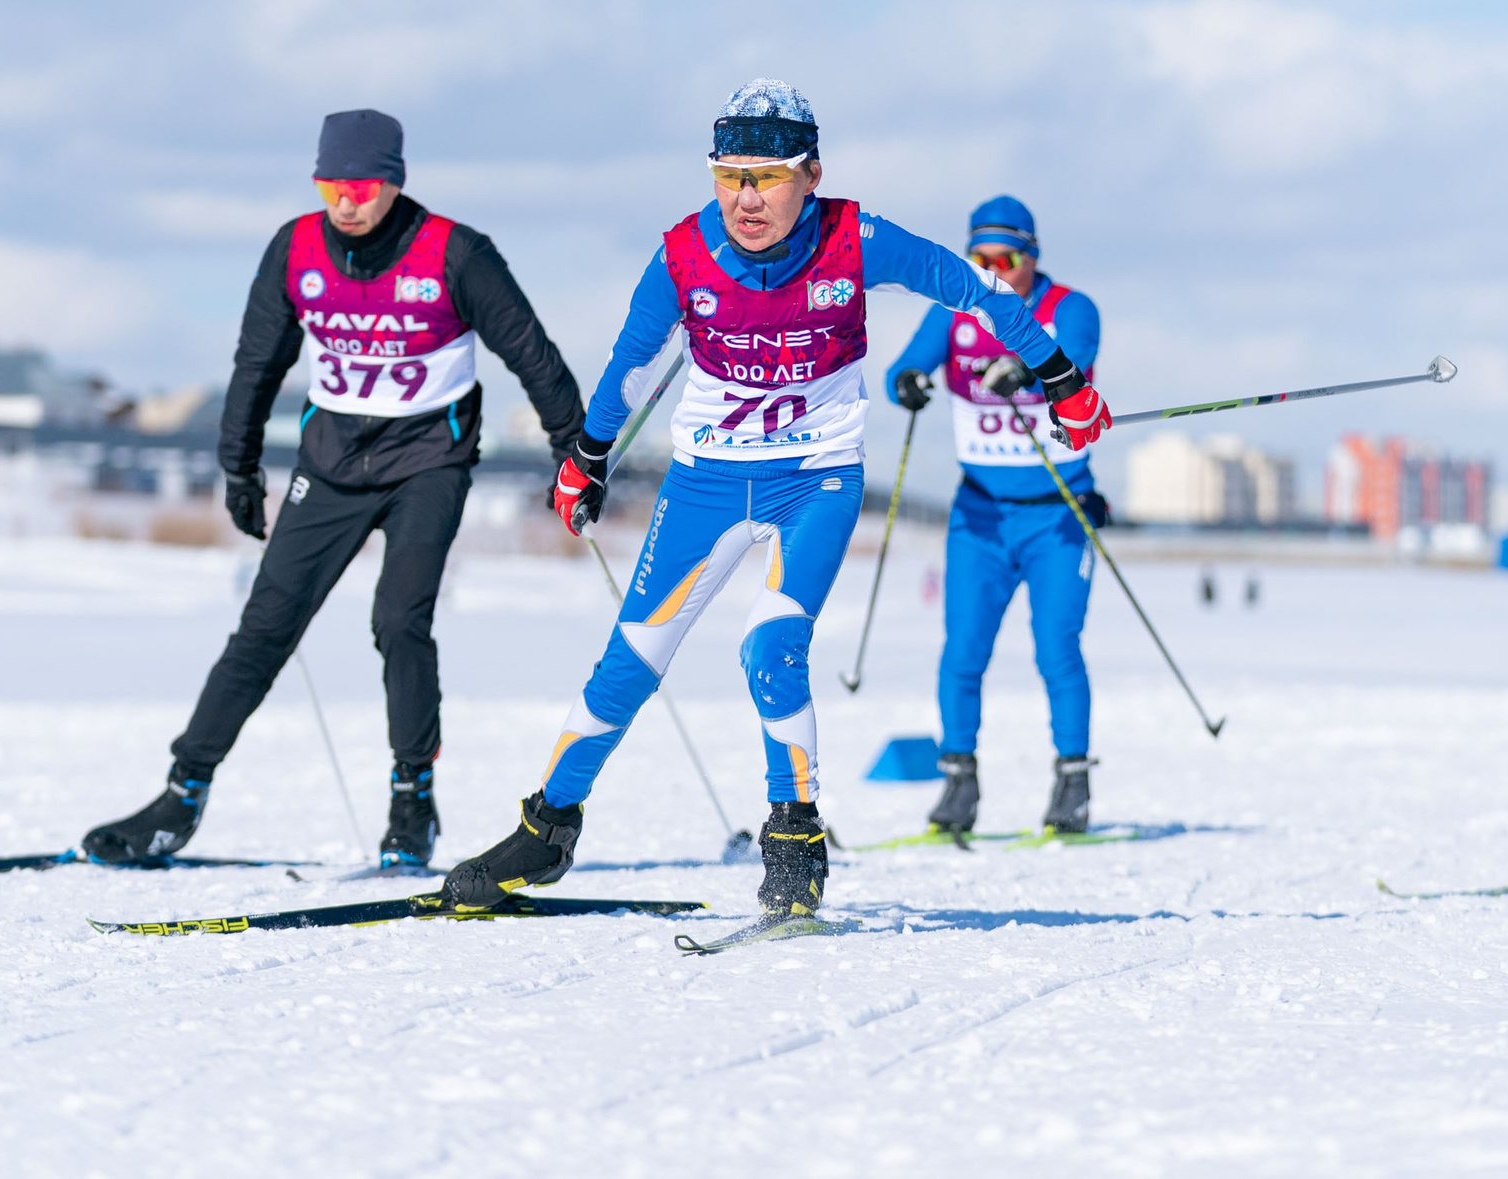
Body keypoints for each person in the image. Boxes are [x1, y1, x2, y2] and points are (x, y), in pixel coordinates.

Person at [439, 81, 1111, 922]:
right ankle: (546, 830)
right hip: (706, 484)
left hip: (816, 482)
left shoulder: (856, 239)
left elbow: (976, 291)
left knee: (772, 645)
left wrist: (1059, 379)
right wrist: (587, 457)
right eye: (729, 176)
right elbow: (631, 368)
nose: (746, 199)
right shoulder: (682, 253)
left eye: (767, 176)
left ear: (811, 173)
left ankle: (794, 839)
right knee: (629, 664)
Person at [84, 110, 588, 869]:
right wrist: (238, 464)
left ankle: (411, 800)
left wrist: (573, 455)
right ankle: (180, 796)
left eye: (359, 186)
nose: (345, 203)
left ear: (392, 182)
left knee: (399, 621)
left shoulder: (456, 253)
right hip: (331, 465)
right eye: (329, 185)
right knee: (264, 630)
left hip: (429, 459)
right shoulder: (296, 249)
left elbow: (532, 354)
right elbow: (257, 362)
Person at [884, 195, 1106, 837]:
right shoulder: (955, 312)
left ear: (1031, 256)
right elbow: (906, 364)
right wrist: (909, 382)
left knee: (1056, 648)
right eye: (977, 257)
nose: (992, 270)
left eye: (1005, 258)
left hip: (1055, 518)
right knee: (962, 651)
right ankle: (959, 783)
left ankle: (1072, 782)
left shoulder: (1069, 308)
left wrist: (1027, 372)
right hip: (979, 516)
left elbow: (1076, 358)